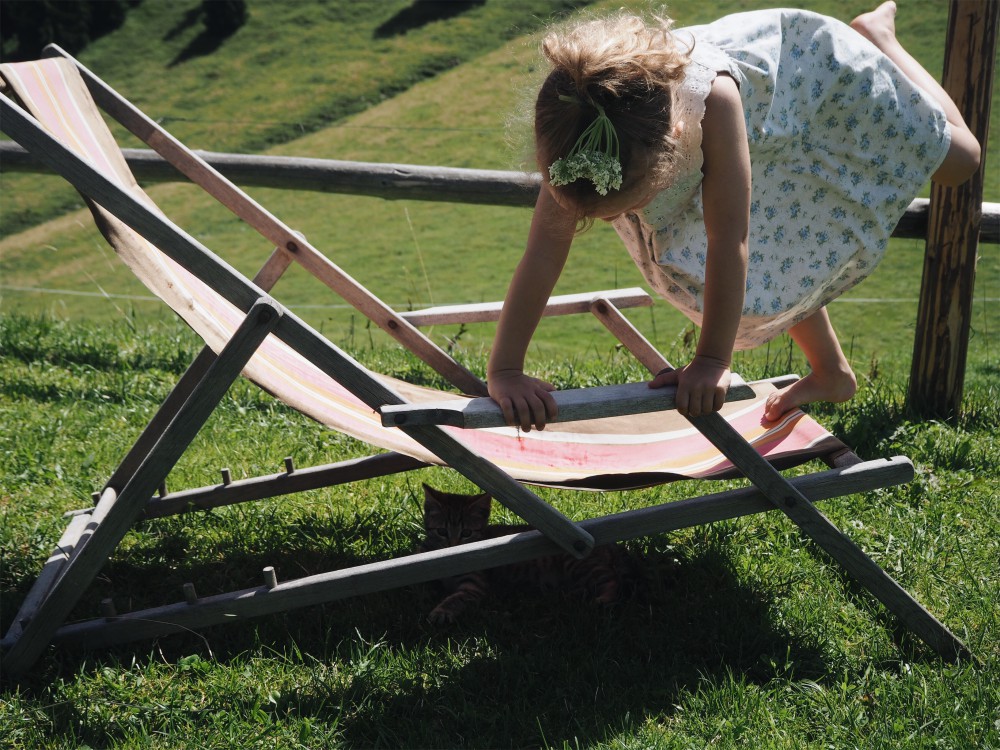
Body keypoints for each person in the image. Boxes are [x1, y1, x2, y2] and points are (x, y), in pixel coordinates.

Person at [487, 1, 980, 431]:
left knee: (961, 161)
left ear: (674, 141)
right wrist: (506, 369)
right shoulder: (574, 127)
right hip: (761, 120)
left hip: (815, 78)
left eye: (631, 206)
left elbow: (731, 240)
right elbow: (543, 250)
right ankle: (832, 374)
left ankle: (880, 40)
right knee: (773, 242)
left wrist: (711, 361)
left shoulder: (710, 103)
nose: (631, 218)